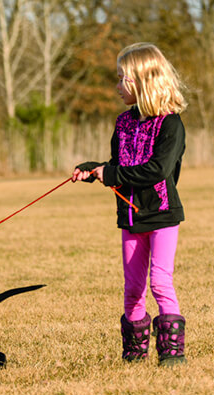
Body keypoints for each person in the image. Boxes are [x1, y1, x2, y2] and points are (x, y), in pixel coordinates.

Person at [72, 42, 187, 366]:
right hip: (130, 217)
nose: (117, 85)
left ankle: (172, 354)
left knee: (160, 282)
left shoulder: (170, 124)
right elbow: (119, 165)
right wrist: (95, 169)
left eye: (123, 78)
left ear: (142, 81)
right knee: (133, 288)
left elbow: (157, 170)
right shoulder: (123, 123)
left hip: (162, 215)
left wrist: (110, 172)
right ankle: (134, 354)